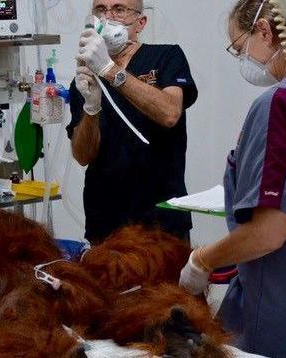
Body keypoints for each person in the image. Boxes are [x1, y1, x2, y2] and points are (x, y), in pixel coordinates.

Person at [179, 0, 286, 356]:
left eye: (239, 49)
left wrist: (202, 260)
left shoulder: (281, 105)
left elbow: (269, 231)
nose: (243, 62)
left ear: (265, 32)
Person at [68, 0, 198, 244]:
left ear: (140, 22)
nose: (108, 18)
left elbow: (170, 113)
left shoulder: (166, 56)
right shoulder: (85, 75)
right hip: (105, 225)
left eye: (119, 9)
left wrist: (109, 70)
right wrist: (91, 107)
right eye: (100, 10)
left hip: (162, 224)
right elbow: (82, 155)